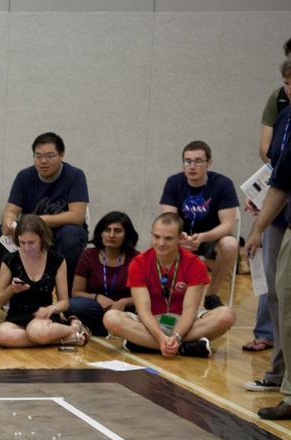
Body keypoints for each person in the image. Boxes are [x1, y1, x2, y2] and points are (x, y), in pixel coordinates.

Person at [106, 212, 236, 359]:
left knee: (227, 315)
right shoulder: (138, 263)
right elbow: (143, 311)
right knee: (111, 318)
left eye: (168, 238)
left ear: (180, 238)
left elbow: (189, 311)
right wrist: (161, 338)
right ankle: (185, 348)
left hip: (185, 323)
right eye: (156, 236)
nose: (161, 243)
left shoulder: (195, 264)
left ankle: (146, 345)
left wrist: (176, 336)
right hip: (150, 322)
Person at [245, 96, 291, 418]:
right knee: (282, 296)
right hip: (284, 222)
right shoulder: (286, 117)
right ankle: (286, 386)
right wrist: (258, 228)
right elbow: (280, 181)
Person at [0, 132, 88, 285]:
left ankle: (67, 290)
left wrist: (41, 221)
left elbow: (77, 216)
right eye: (38, 156)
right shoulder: (24, 176)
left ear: (61, 155)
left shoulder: (75, 176)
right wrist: (8, 220)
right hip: (32, 232)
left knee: (72, 236)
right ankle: (18, 284)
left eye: (50, 156)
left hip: (61, 232)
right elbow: (10, 210)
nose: (43, 161)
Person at [159, 140, 239, 307]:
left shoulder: (223, 184)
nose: (192, 166)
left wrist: (203, 237)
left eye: (198, 161)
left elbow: (227, 225)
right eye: (188, 161)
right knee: (161, 240)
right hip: (180, 237)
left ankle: (212, 294)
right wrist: (180, 236)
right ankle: (166, 297)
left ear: (208, 163)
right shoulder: (174, 182)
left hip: (211, 238)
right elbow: (167, 219)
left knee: (231, 244)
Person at [0, 214, 89, 349]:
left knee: (35, 331)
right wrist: (11, 290)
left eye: (31, 243)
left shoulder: (57, 260)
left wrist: (51, 308)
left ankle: (72, 330)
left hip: (43, 317)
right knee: (2, 334)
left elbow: (64, 302)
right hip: (17, 316)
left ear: (42, 239)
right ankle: (69, 335)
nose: (26, 248)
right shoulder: (10, 260)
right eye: (22, 242)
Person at [69, 211, 139, 337]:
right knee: (72, 305)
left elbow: (144, 295)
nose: (111, 235)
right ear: (101, 233)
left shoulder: (136, 258)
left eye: (117, 231)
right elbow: (76, 292)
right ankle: (111, 329)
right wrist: (97, 297)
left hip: (124, 310)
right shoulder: (88, 255)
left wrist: (123, 302)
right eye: (107, 230)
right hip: (97, 307)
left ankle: (103, 329)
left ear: (126, 234)